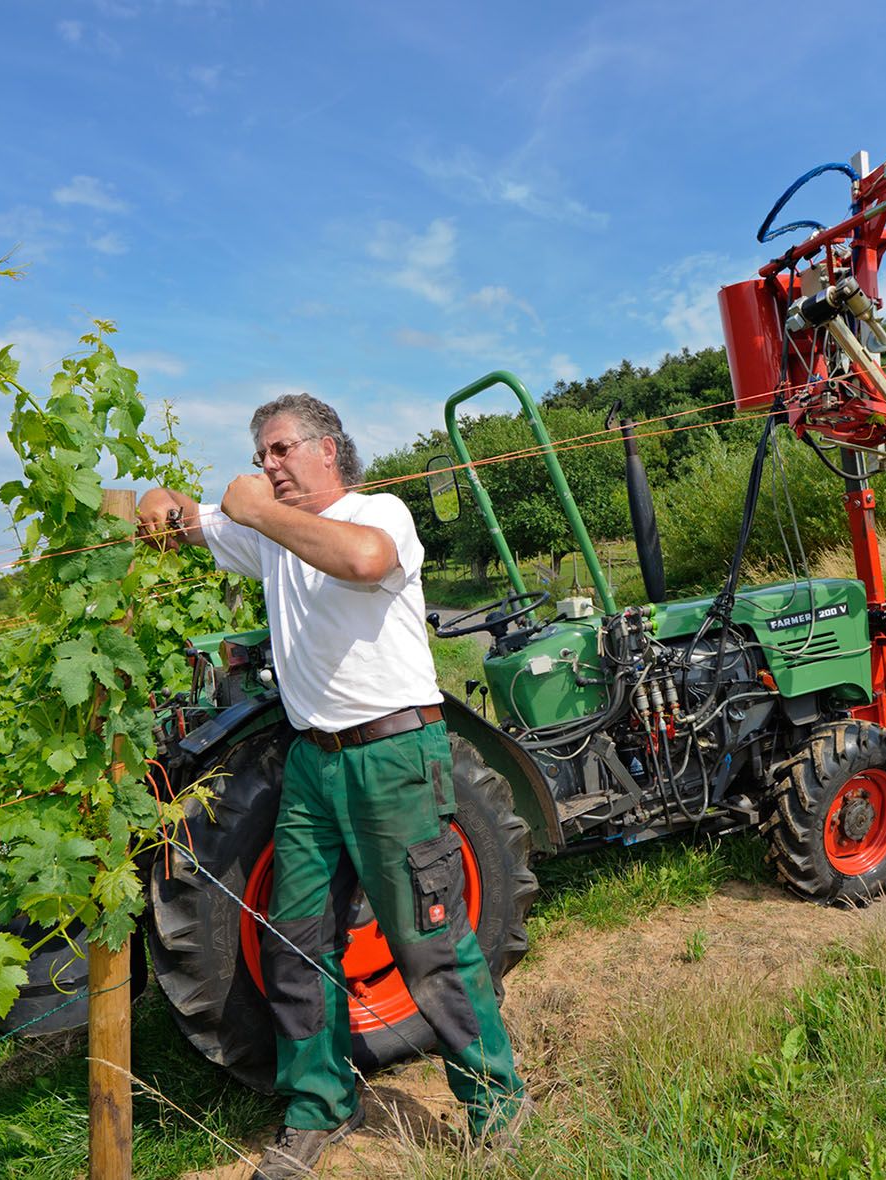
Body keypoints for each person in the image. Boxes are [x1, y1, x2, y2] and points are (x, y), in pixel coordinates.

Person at [137, 394, 527, 1178]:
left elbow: (363, 563)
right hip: (313, 762)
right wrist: (162, 502)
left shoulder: (378, 513)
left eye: (280, 449)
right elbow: (185, 523)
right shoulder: (271, 541)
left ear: (326, 450)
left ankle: (495, 1103)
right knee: (295, 941)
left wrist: (251, 507)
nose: (266, 465)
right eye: (259, 454)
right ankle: (321, 1104)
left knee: (429, 943)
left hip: (394, 757)